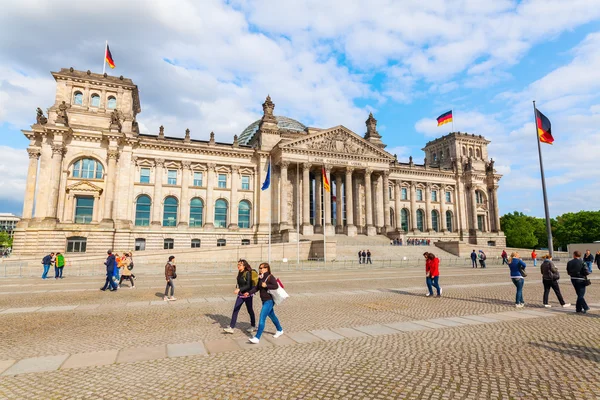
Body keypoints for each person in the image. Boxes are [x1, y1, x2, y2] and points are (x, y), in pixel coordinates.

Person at [246, 262, 283, 344]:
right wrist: (249, 293)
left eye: (262, 268)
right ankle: (280, 330)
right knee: (272, 316)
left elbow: (275, 286)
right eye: (260, 267)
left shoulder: (270, 276)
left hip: (269, 301)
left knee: (262, 317)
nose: (260, 269)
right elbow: (256, 288)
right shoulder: (261, 277)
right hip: (264, 300)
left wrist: (266, 285)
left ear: (267, 268)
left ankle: (257, 337)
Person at [223, 259, 256, 334]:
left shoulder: (247, 273)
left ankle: (253, 325)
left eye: (240, 265)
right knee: (235, 309)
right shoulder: (240, 272)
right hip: (241, 295)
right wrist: (239, 289)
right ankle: (231, 327)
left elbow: (248, 285)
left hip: (247, 295)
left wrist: (239, 289)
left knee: (250, 310)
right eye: (238, 264)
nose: (238, 266)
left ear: (244, 266)